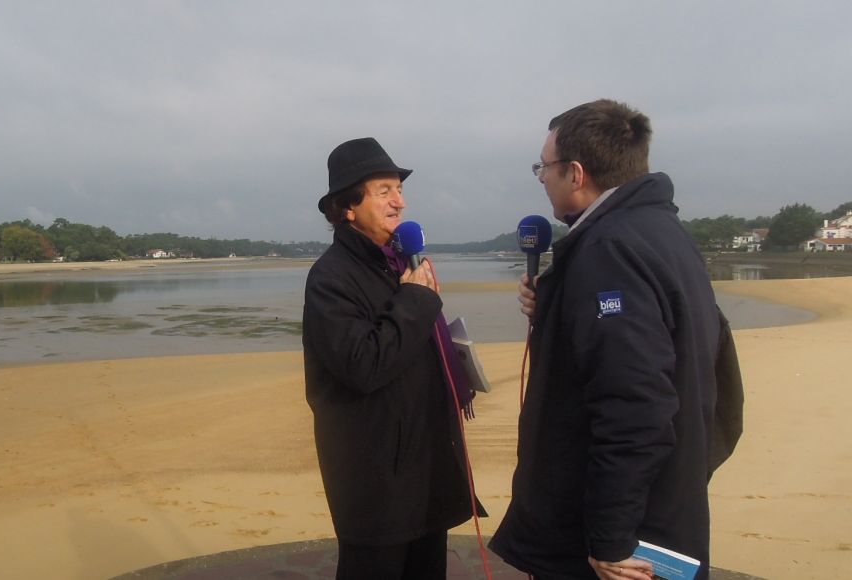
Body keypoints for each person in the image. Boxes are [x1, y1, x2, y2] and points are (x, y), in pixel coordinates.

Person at [489, 100, 722, 580]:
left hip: (623, 536)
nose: (540, 177)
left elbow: (635, 404)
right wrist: (556, 305)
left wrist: (612, 538)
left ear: (575, 173)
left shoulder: (609, 250)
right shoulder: (663, 232)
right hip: (669, 502)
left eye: (545, 166)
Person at [303, 137, 478, 579]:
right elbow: (363, 365)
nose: (399, 201)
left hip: (425, 474)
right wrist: (417, 300)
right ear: (347, 207)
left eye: (398, 189)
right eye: (384, 190)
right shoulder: (330, 278)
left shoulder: (396, 263)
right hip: (377, 485)